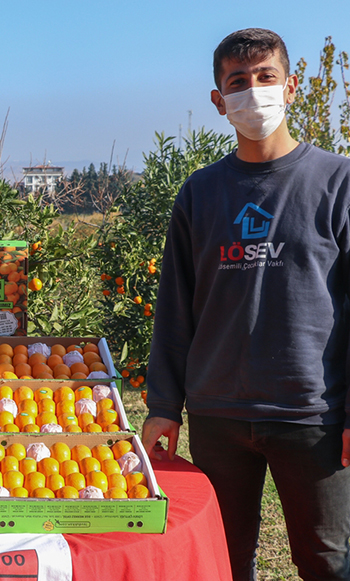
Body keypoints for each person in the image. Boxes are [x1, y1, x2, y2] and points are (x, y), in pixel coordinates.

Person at [141, 28, 350, 581]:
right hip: (218, 412)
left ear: (291, 87)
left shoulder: (338, 181)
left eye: (266, 77)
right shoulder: (200, 192)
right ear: (219, 100)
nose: (253, 91)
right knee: (222, 561)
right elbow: (176, 304)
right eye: (238, 81)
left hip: (313, 412)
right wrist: (165, 402)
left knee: (328, 561)